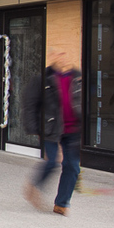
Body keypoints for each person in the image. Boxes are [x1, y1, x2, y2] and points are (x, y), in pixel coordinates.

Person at [22, 51, 83, 216]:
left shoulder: (79, 79)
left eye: (66, 54)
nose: (63, 57)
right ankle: (34, 186)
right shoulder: (42, 79)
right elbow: (30, 105)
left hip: (74, 129)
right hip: (50, 127)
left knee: (72, 166)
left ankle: (62, 204)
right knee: (52, 162)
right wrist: (34, 129)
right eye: (59, 54)